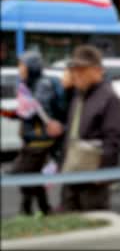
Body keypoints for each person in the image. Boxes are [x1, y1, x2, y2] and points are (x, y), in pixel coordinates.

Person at [60, 45, 120, 211]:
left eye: (81, 70)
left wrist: (105, 173)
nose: (76, 74)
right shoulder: (79, 95)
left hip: (93, 174)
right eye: (73, 70)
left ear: (97, 71)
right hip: (73, 169)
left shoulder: (109, 98)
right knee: (70, 219)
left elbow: (113, 138)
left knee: (93, 221)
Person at [0, 51, 64, 215]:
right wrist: (5, 113)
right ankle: (41, 209)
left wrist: (19, 110)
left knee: (24, 175)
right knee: (31, 176)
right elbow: (24, 113)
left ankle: (29, 209)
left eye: (22, 65)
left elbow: (34, 111)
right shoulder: (30, 84)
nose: (19, 69)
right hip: (32, 140)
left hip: (39, 141)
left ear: (31, 67)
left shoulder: (41, 85)